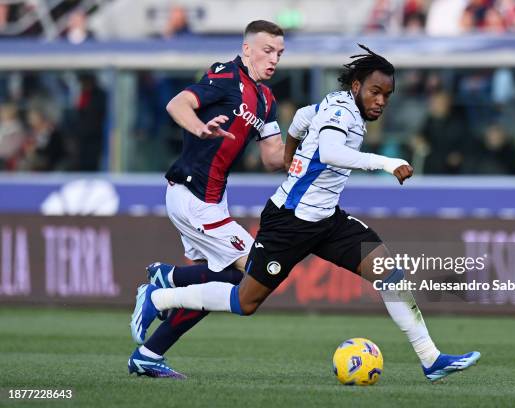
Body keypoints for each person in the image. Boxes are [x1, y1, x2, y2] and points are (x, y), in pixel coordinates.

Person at [131, 45, 481, 382]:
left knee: (388, 272)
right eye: (375, 92)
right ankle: (159, 297)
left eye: (387, 95)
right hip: (289, 221)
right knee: (245, 300)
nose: (381, 101)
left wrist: (291, 157)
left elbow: (299, 119)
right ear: (357, 86)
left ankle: (431, 359)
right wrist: (386, 163)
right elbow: (329, 151)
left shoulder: (338, 104)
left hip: (327, 220)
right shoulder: (342, 112)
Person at [127, 20, 288, 379]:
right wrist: (198, 127)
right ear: (246, 49)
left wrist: (311, 148)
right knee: (258, 269)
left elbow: (273, 158)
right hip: (191, 194)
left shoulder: (266, 99)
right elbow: (178, 103)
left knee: (215, 286)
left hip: (213, 201)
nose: (274, 59)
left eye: (279, 53)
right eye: (267, 50)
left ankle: (149, 355)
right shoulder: (226, 75)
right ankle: (164, 281)